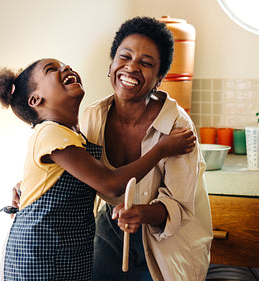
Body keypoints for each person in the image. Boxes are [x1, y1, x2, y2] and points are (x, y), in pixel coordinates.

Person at [0, 58, 196, 281]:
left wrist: (24, 185)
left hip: (67, 256)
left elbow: (53, 179)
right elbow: (111, 184)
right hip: (39, 257)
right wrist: (161, 150)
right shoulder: (50, 132)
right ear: (36, 100)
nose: (65, 68)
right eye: (52, 70)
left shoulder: (74, 136)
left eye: (64, 65)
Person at [80, 16, 213, 281]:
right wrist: (28, 188)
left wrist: (142, 214)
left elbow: (180, 206)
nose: (131, 68)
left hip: (166, 239)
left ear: (160, 77)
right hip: (111, 229)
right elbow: (75, 170)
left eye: (146, 63)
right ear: (111, 65)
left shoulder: (177, 124)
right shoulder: (93, 116)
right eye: (125, 57)